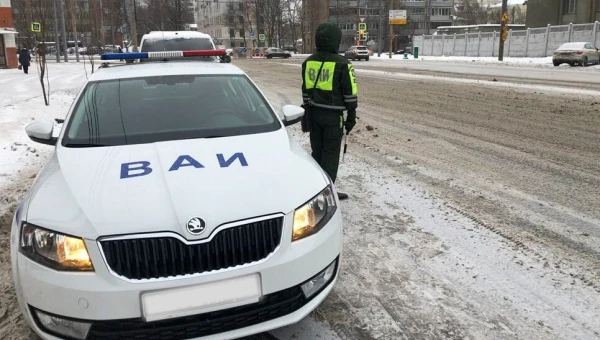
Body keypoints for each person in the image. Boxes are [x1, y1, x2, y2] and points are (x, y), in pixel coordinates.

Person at [301, 22, 358, 201]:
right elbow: (350, 93)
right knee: (330, 154)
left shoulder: (308, 62)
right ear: (336, 40)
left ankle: (315, 189)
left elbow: (304, 90)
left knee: (317, 151)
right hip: (333, 118)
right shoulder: (343, 64)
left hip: (313, 114)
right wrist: (351, 117)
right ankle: (327, 193)